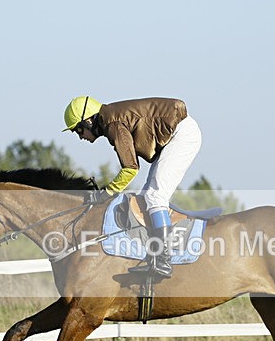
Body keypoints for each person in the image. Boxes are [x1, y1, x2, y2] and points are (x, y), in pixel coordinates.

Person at [63, 96, 202, 277]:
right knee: (147, 197)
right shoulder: (110, 120)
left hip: (182, 135)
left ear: (89, 121)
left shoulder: (113, 125)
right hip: (176, 133)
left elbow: (130, 168)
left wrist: (105, 193)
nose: (81, 136)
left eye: (78, 130)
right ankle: (154, 256)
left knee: (155, 197)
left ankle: (163, 260)